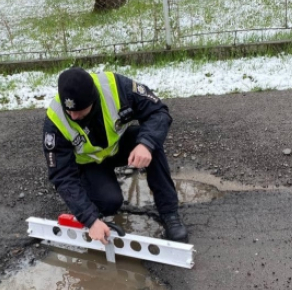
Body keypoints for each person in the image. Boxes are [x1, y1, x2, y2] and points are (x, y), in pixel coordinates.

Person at [42, 67, 188, 244]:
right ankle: (92, 198)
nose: (74, 116)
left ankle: (169, 213)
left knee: (151, 142)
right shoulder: (55, 119)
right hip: (90, 163)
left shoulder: (116, 87)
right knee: (109, 203)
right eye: (69, 111)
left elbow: (158, 112)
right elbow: (62, 175)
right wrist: (90, 219)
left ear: (93, 98)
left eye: (80, 110)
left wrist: (145, 144)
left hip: (118, 146)